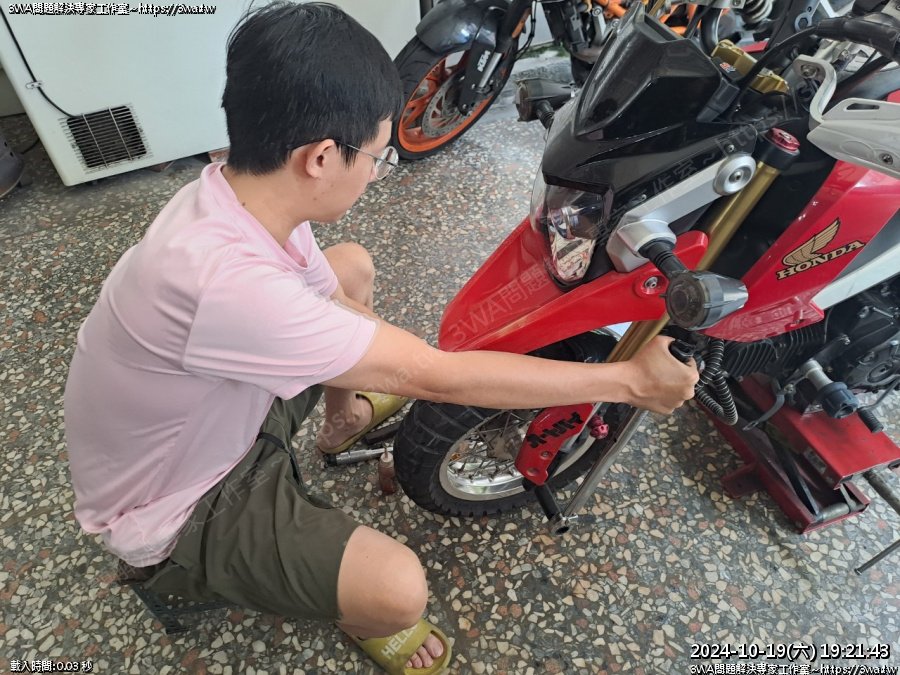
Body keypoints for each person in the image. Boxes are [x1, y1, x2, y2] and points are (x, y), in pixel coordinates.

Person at [63, 3, 699, 673]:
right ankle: (336, 607)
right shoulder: (226, 286)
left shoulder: (234, 197)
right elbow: (438, 377)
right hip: (178, 500)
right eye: (376, 155)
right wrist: (629, 382)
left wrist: (406, 364)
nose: (376, 171)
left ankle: (341, 423)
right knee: (399, 590)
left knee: (351, 267)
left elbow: (343, 308)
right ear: (319, 157)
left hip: (208, 415)